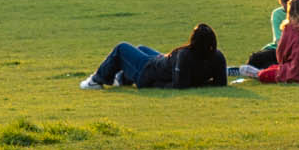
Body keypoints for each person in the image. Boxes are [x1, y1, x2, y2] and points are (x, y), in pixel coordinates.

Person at [82, 24, 229, 89]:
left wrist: (154, 84)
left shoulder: (185, 56)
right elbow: (221, 82)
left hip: (148, 72)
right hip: (160, 62)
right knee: (140, 48)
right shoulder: (218, 56)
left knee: (122, 48)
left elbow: (179, 86)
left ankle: (97, 80)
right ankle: (121, 79)